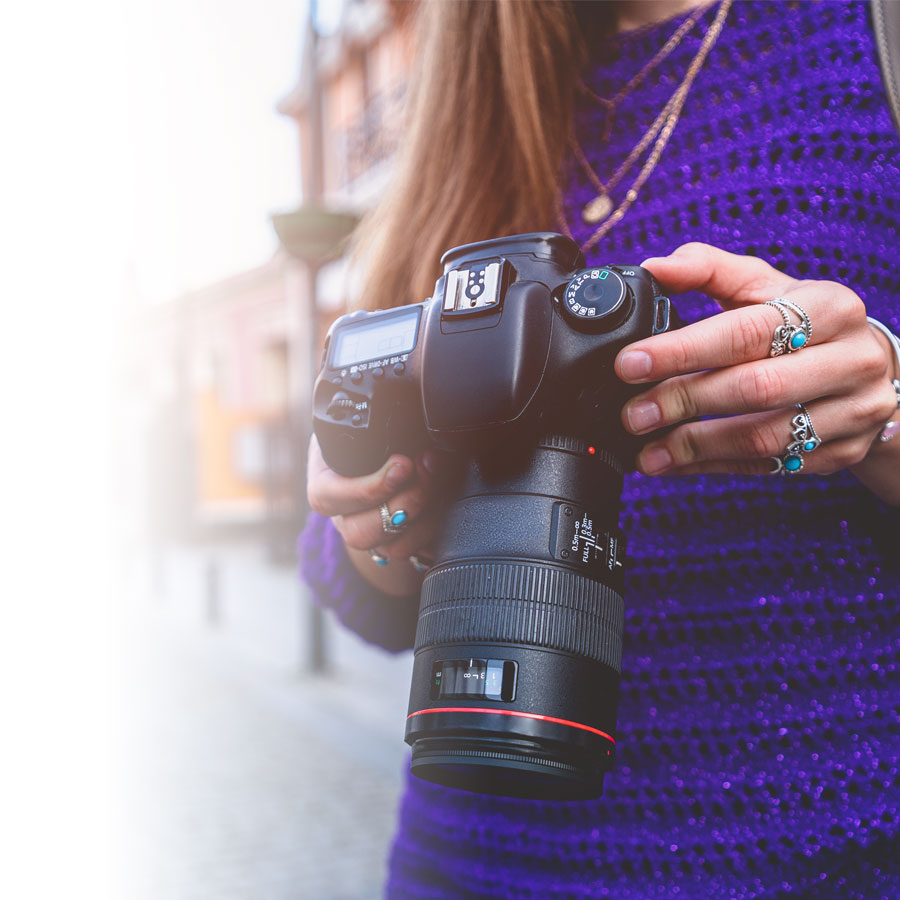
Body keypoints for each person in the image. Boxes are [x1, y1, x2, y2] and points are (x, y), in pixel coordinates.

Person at [300, 1, 900, 896]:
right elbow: (364, 597)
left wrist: (886, 412)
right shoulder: (465, 104)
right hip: (466, 859)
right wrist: (375, 511)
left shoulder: (867, 31)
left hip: (828, 863)